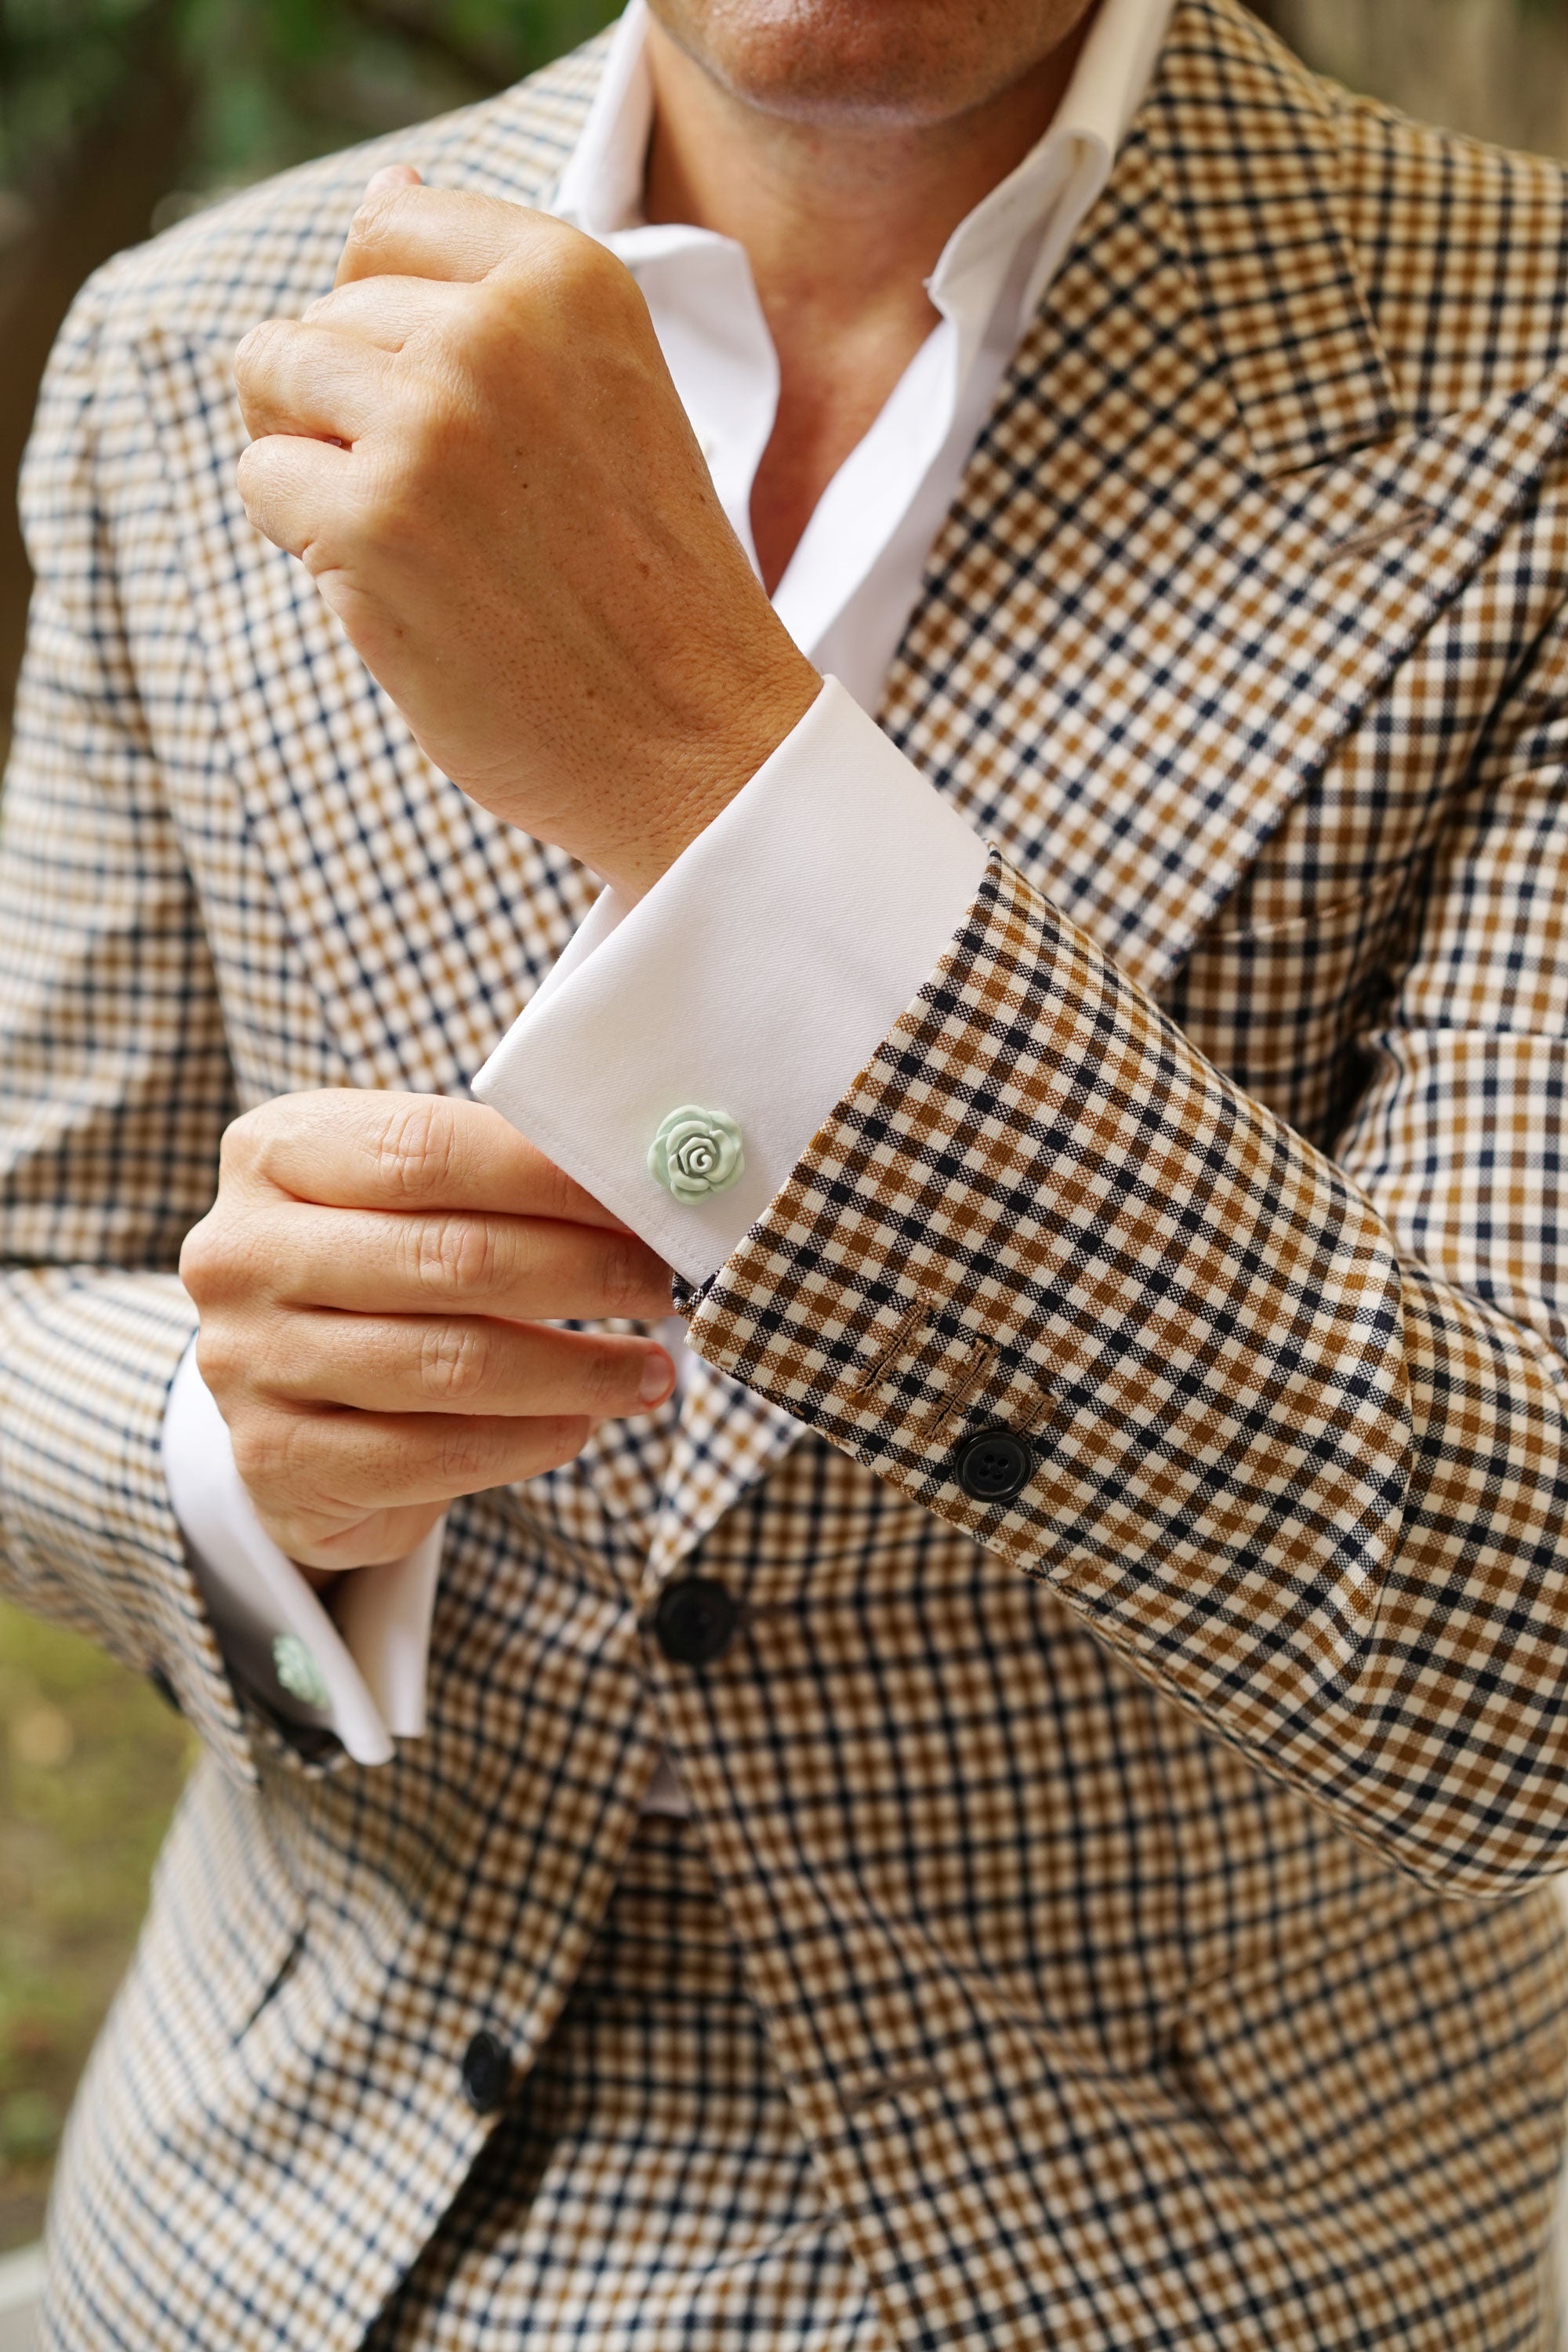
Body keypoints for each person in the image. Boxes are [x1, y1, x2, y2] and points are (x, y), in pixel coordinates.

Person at [5, 0, 1568, 2338]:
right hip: (247, 2235)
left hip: (1176, 2260)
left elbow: (1521, 1638)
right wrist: (226, 1459)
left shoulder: (1528, 365)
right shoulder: (183, 342)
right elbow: (35, 1274)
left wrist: (704, 774)